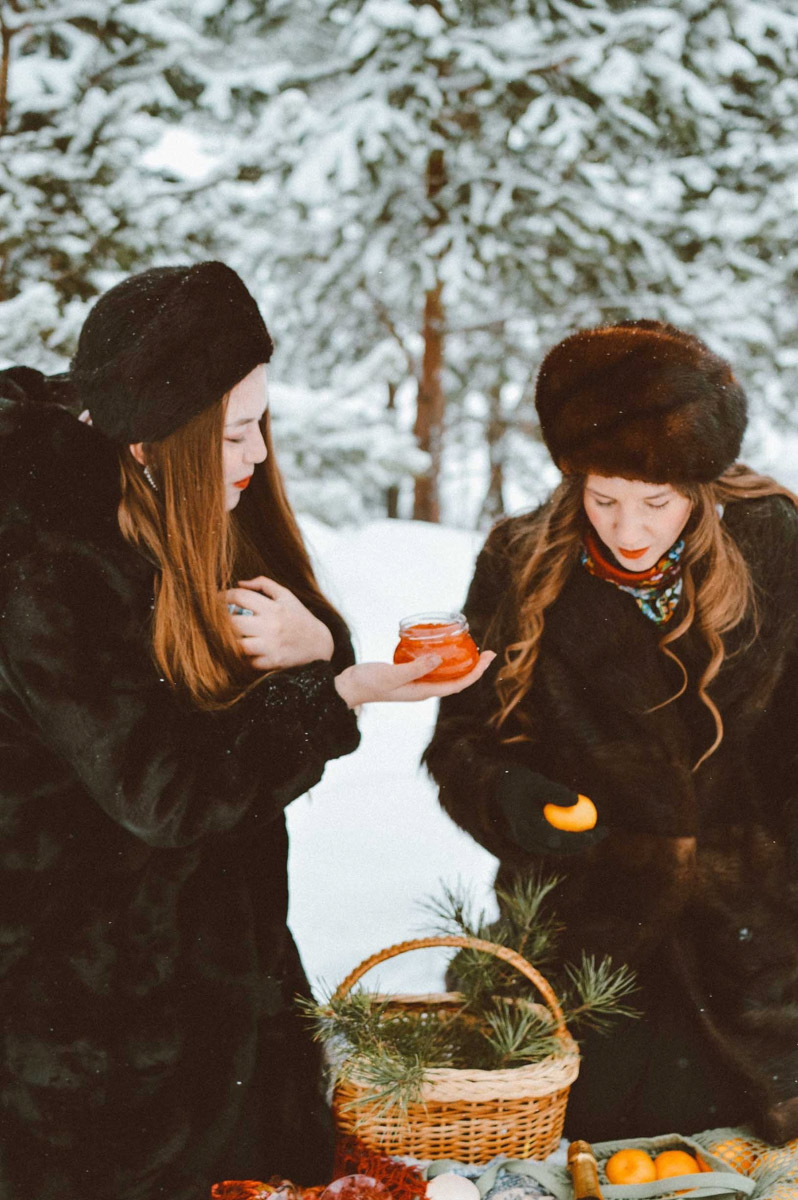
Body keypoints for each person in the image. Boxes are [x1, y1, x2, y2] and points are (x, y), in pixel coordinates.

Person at [0, 261, 493, 1200]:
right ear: (154, 440)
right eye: (233, 432)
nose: (257, 453)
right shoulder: (46, 565)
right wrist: (332, 692)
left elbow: (273, 655)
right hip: (96, 1019)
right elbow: (170, 794)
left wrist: (322, 655)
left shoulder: (180, 499)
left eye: (261, 421)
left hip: (222, 967)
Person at [423, 320, 798, 1145]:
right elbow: (464, 741)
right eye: (604, 499)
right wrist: (518, 799)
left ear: (700, 485)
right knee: (582, 1151)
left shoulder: (776, 543)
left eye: (656, 504)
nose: (628, 530)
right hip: (588, 935)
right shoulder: (521, 559)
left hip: (753, 944)